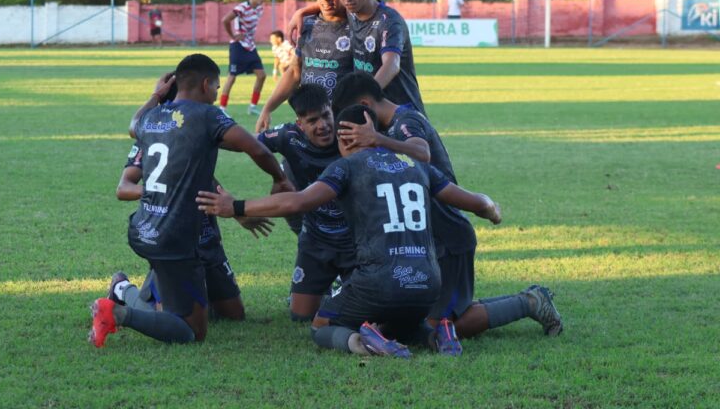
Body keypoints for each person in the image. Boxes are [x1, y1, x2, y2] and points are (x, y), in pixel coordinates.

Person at [198, 105, 503, 358]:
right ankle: (439, 334)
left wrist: (235, 207)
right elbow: (477, 202)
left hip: (381, 280)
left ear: (345, 140)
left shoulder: (348, 166)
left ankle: (364, 341)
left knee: (320, 325)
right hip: (428, 283)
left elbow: (298, 201)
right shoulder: (416, 164)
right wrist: (491, 209)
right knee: (402, 323)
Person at [331, 72, 564, 339]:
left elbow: (422, 154)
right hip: (425, 241)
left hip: (450, 239)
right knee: (418, 322)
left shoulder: (407, 121)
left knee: (433, 329)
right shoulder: (385, 130)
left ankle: (531, 302)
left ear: (365, 104)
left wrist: (377, 140)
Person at [89, 53, 291, 348]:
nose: (218, 93)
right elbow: (257, 149)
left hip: (148, 228)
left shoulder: (152, 118)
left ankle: (153, 295)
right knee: (192, 332)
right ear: (206, 84)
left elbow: (134, 125)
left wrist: (155, 96)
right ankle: (121, 305)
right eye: (217, 87)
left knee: (230, 314)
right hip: (175, 237)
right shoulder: (208, 115)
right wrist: (279, 179)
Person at [113, 141, 274, 321]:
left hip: (206, 240)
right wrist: (164, 192)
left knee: (234, 315)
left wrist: (238, 213)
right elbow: (123, 189)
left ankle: (194, 301)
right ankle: (122, 288)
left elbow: (207, 177)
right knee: (168, 320)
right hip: (172, 244)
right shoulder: (149, 134)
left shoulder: (197, 129)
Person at [256, 84, 354, 322]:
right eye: (312, 121)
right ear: (300, 124)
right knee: (300, 316)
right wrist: (278, 177)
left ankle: (345, 285)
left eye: (325, 116)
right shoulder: (288, 136)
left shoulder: (352, 133)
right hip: (316, 239)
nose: (322, 126)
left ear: (332, 111)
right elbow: (249, 144)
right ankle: (328, 286)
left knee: (360, 313)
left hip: (356, 240)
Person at [287, 0, 425, 115]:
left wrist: (365, 97)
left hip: (402, 110)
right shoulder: (352, 12)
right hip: (372, 112)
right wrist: (301, 12)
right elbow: (326, 3)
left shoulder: (389, 21)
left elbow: (392, 65)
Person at [256, 0, 352, 133]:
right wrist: (267, 109)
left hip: (346, 128)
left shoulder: (359, 26)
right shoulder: (306, 25)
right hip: (311, 128)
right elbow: (294, 72)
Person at [220, 0, 267, 116]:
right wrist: (232, 36)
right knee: (232, 77)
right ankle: (222, 109)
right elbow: (225, 20)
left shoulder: (259, 9)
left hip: (250, 46)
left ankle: (252, 107)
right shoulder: (241, 8)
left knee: (262, 75)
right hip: (238, 46)